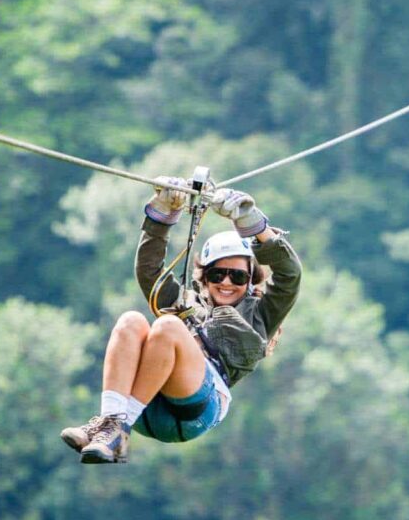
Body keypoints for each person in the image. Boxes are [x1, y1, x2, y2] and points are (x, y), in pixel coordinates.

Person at [60, 178, 302, 463]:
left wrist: (253, 223)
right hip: (145, 404)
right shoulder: (185, 302)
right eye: (217, 274)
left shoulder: (261, 313)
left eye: (237, 276)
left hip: (196, 409)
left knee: (168, 325)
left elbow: (290, 275)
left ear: (250, 280)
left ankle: (118, 430)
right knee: (130, 321)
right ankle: (110, 423)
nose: (226, 282)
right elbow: (149, 271)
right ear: (205, 278)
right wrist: (163, 213)